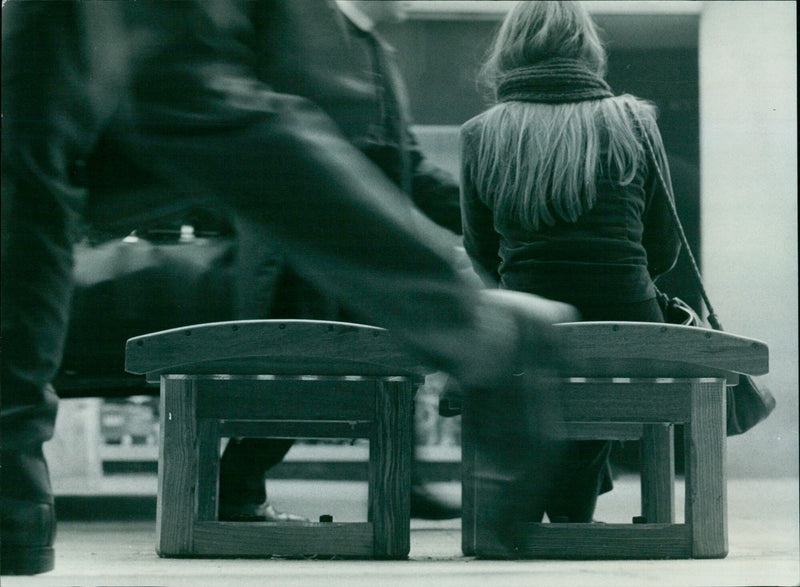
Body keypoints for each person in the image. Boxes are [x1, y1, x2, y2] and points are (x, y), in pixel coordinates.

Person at [1, 0, 576, 574]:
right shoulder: (351, 41)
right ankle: (10, 472)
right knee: (35, 138)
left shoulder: (363, 46)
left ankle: (480, 330)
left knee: (167, 92)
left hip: (300, 256)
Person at [219, 0, 465, 522]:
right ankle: (234, 489)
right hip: (306, 253)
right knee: (295, 378)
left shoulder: (375, 50)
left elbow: (407, 164)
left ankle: (401, 479)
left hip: (355, 253)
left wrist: (476, 213)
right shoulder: (310, 32)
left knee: (393, 366)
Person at [459, 0, 681, 524]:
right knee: (598, 366)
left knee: (540, 366)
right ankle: (571, 513)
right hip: (627, 316)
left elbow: (481, 251)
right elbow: (665, 245)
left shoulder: (480, 132)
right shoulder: (635, 121)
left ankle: (546, 506)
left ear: (508, 50)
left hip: (530, 321)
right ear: (587, 47)